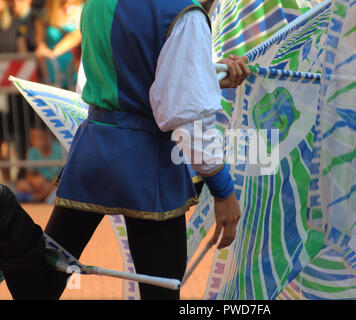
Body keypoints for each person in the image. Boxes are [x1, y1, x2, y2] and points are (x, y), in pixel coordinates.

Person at [0, 0, 250, 300]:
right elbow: (186, 116)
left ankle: (6, 215)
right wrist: (222, 189)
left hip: (91, 152)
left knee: (41, 286)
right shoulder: (184, 12)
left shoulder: (95, 5)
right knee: (159, 294)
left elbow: (116, 80)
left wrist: (205, 76)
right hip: (147, 168)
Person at [34, 0, 83, 88]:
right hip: (53, 73)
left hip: (76, 72)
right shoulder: (46, 14)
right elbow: (40, 46)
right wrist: (46, 78)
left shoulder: (83, 10)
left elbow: (78, 35)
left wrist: (54, 52)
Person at [15, 125, 64, 203]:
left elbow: (64, 176)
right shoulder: (32, 151)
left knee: (53, 195)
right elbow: (29, 175)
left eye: (41, 137)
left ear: (48, 136)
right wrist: (35, 181)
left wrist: (50, 184)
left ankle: (37, 198)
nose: (37, 141)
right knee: (21, 185)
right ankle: (39, 197)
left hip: (56, 184)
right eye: (33, 137)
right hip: (41, 186)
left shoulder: (60, 150)